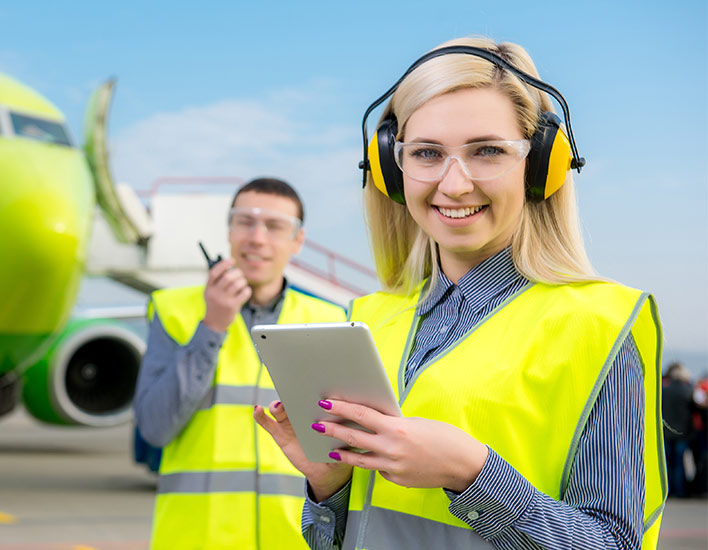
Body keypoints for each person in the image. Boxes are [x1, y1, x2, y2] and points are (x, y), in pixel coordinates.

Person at [254, 37, 664, 550]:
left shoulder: (599, 325)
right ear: (389, 169)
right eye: (426, 153)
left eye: (487, 151)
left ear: (539, 166)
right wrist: (329, 487)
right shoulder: (368, 317)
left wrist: (473, 475)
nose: (454, 184)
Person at [134, 177, 347, 550]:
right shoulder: (172, 311)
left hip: (296, 540)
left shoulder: (328, 320)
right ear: (229, 230)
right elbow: (154, 428)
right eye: (245, 221)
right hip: (195, 539)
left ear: (297, 241)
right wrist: (211, 326)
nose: (257, 238)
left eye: (275, 226)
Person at [662, 361, 694, 498]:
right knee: (679, 463)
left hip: (666, 432)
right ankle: (679, 490)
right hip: (682, 433)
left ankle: (668, 490)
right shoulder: (687, 391)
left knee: (667, 463)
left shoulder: (664, 391)